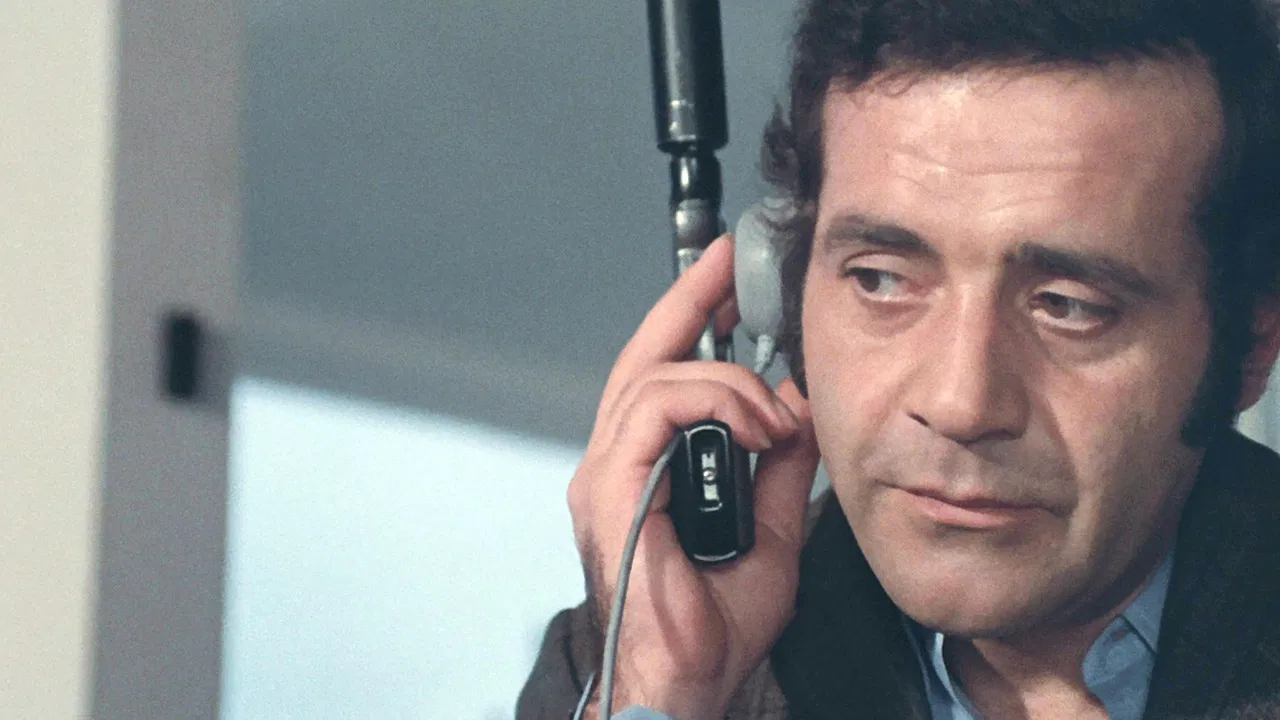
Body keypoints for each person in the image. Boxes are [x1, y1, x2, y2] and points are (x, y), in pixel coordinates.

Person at [518, 0, 1280, 717]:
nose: (959, 404)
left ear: (1248, 347)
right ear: (779, 298)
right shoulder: (636, 657)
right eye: (881, 280)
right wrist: (666, 690)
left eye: (1068, 305)